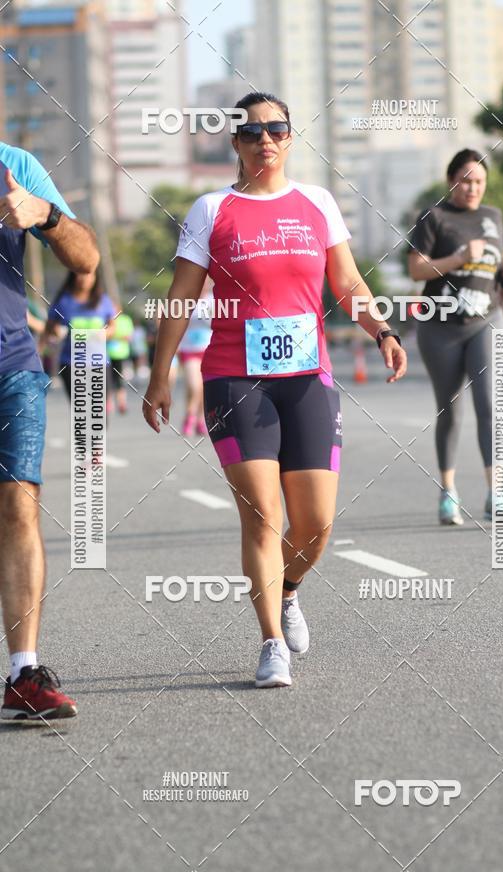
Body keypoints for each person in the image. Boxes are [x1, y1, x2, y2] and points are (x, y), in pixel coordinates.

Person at [143, 91, 407, 688]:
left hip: (307, 379)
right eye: (253, 131)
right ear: (235, 143)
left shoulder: (316, 202)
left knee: (314, 524)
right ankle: (269, 643)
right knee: (264, 517)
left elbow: (347, 283)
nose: (266, 139)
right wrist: (160, 375)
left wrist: (382, 330)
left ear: (291, 138)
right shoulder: (212, 209)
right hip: (235, 379)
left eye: (277, 129)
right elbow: (182, 297)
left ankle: (288, 591)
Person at [0, 141, 99, 721]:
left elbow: (84, 259)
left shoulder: (15, 165)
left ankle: (23, 671)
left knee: (20, 510)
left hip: (12, 367)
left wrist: (46, 214)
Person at [408, 149, 503, 525]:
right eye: (466, 180)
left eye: (479, 182)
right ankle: (448, 491)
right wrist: (456, 259)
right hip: (439, 326)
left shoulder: (493, 216)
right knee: (450, 408)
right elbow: (415, 269)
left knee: (489, 404)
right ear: (451, 181)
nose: (473, 188)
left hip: (486, 320)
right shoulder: (434, 216)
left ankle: (496, 493)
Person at [41, 271, 116, 400]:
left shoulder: (103, 300)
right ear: (73, 276)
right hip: (71, 363)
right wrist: (56, 330)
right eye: (81, 274)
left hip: (99, 363)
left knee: (97, 412)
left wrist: (105, 333)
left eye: (89, 274)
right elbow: (49, 327)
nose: (84, 279)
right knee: (82, 411)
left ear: (95, 278)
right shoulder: (63, 301)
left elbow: (113, 326)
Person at [177, 283, 212, 436]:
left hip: (208, 348)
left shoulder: (214, 300)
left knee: (204, 388)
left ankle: (200, 420)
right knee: (194, 385)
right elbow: (175, 324)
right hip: (189, 350)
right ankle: (190, 417)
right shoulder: (185, 300)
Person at [107, 308, 134, 414]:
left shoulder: (125, 320)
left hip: (121, 354)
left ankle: (122, 403)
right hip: (107, 355)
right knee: (107, 380)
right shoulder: (107, 318)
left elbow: (128, 336)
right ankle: (108, 404)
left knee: (119, 380)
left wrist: (112, 336)